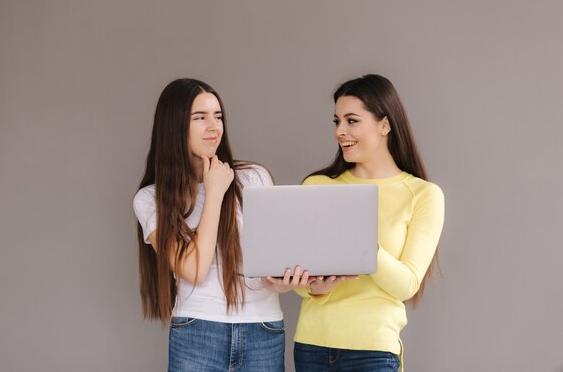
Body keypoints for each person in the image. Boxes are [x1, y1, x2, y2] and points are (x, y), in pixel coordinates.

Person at [133, 78, 306, 372]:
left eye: (218, 116)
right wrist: (213, 193)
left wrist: (280, 281)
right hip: (198, 330)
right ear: (174, 126)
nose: (214, 127)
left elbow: (268, 263)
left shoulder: (254, 177)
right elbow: (194, 271)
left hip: (262, 329)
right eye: (200, 118)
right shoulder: (151, 199)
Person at [293, 74, 445, 372]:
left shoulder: (423, 195)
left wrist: (362, 243)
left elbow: (406, 286)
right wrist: (316, 289)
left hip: (373, 350)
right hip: (311, 345)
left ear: (384, 124)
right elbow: (300, 277)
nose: (340, 131)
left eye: (352, 121)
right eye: (336, 121)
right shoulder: (316, 185)